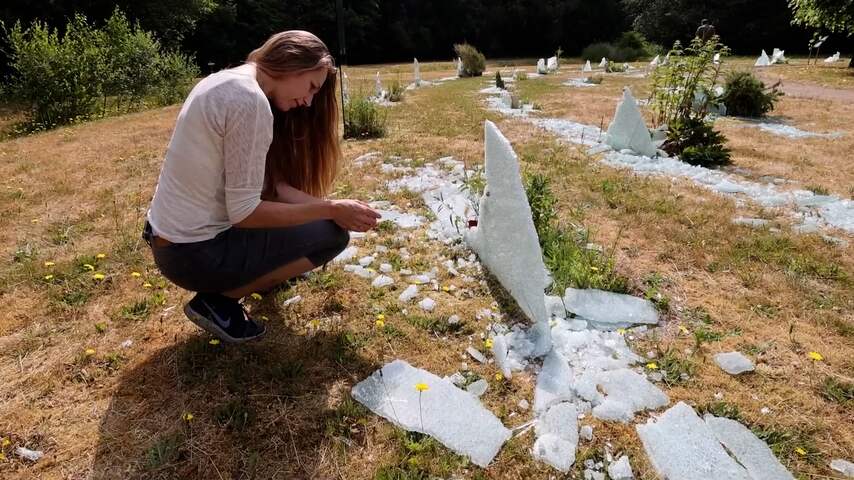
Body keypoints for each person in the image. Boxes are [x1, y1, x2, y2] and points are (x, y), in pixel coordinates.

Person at [143, 31, 380, 343]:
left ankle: (252, 279)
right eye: (311, 86)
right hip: (194, 256)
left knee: (323, 223)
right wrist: (331, 211)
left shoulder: (226, 81)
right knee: (330, 236)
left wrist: (332, 208)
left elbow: (271, 186)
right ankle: (219, 302)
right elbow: (245, 214)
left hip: (170, 244)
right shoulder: (250, 102)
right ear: (292, 64)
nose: (308, 101)